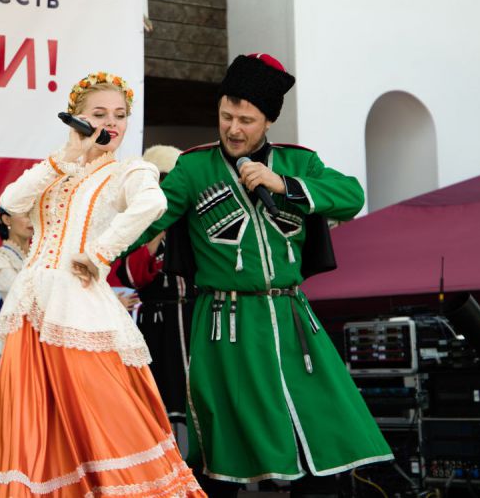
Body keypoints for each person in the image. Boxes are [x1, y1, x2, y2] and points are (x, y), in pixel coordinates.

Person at [130, 53, 393, 496]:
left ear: (268, 121)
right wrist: (86, 247)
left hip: (293, 321)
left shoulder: (298, 163)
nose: (233, 129)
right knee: (225, 450)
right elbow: (145, 221)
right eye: (226, 116)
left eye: (246, 120)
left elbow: (351, 196)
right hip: (226, 325)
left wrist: (282, 185)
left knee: (319, 435)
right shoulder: (193, 169)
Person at [0, 72, 204, 497]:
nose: (111, 123)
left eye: (120, 115)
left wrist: (99, 253)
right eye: (99, 114)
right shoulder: (57, 169)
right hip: (30, 311)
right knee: (35, 426)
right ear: (77, 118)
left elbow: (153, 202)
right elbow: (11, 202)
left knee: (102, 421)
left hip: (78, 310)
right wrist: (69, 154)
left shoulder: (128, 170)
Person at [115, 145, 194, 423]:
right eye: (161, 180)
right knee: (160, 396)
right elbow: (133, 276)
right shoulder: (136, 225)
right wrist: (158, 227)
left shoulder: (193, 222)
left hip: (193, 315)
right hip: (157, 322)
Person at [0, 208, 33, 376]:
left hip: (48, 334)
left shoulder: (42, 256)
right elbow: (21, 292)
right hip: (19, 335)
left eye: (34, 214)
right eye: (25, 214)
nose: (32, 220)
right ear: (7, 220)